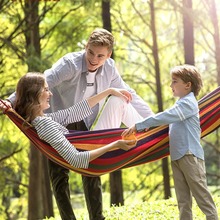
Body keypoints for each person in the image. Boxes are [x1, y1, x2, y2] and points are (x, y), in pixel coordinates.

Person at [4, 28, 153, 220]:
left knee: (91, 171)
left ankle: (154, 131)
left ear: (108, 55)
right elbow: (41, 81)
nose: (94, 59)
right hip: (56, 119)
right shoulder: (69, 65)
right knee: (59, 174)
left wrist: (153, 119)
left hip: (83, 121)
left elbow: (128, 92)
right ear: (86, 47)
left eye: (100, 55)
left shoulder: (109, 68)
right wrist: (10, 101)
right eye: (91, 52)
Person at [122, 64, 219, 220]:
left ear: (188, 85)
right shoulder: (180, 103)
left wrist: (139, 125)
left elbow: (164, 117)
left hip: (190, 155)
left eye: (175, 81)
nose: (170, 85)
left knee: (202, 197)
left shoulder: (188, 103)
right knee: (183, 200)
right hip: (178, 156)